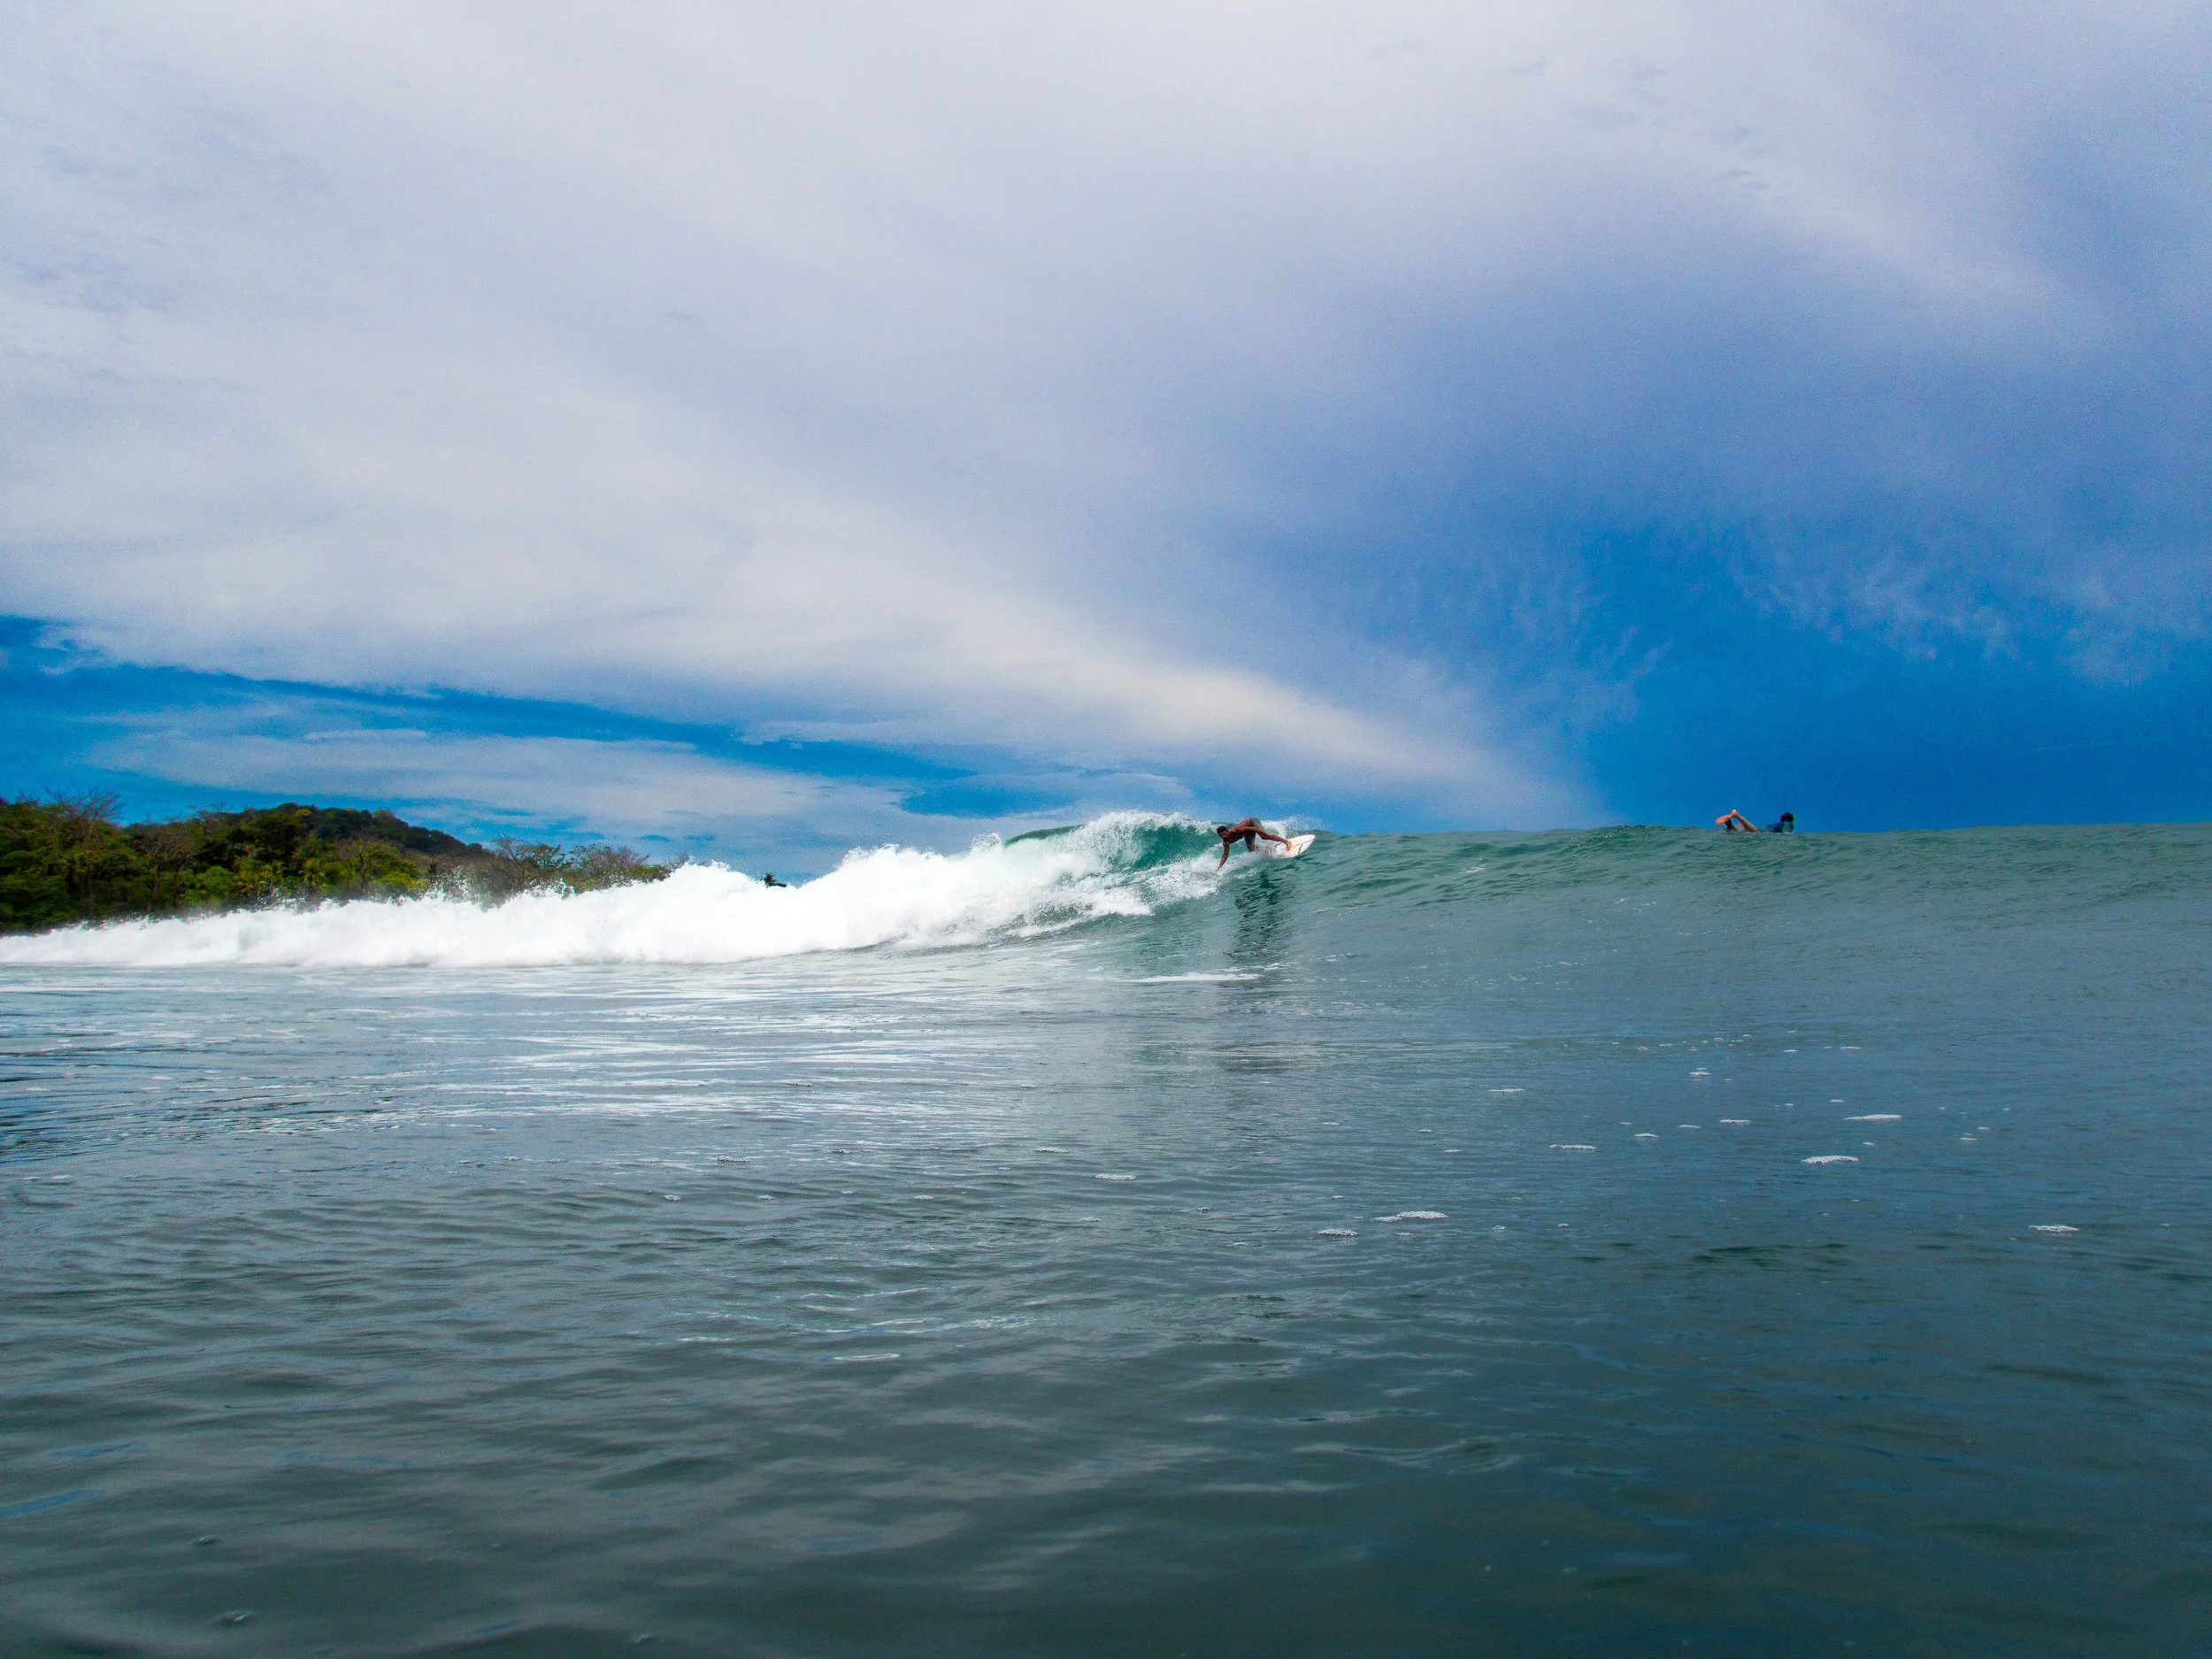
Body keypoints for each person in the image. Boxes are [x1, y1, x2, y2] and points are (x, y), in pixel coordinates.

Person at [1216, 817, 1291, 868]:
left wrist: (1266, 835)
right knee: (1251, 849)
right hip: (1247, 832)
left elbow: (1254, 829)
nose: (1223, 836)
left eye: (1224, 834)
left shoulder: (1236, 830)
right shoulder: (1225, 843)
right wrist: (1220, 867)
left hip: (1252, 822)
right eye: (1221, 836)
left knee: (1264, 837)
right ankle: (1268, 849)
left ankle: (1286, 842)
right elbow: (1225, 855)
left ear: (1227, 831)